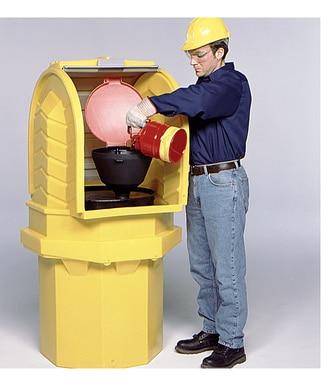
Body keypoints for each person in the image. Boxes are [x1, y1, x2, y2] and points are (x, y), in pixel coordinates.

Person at [126, 18, 251, 368]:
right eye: (190, 56)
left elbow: (197, 100)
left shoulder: (230, 83)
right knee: (201, 264)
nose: (193, 61)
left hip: (223, 183)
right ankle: (211, 330)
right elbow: (189, 106)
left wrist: (149, 105)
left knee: (225, 265)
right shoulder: (204, 86)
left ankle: (232, 342)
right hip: (198, 182)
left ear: (220, 52)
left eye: (199, 54)